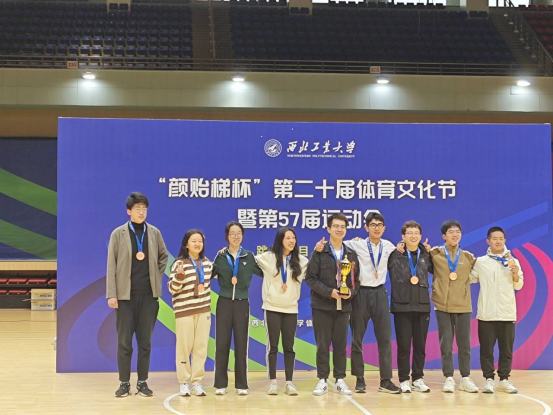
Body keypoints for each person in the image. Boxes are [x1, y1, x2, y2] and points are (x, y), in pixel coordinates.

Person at [315, 212, 400, 394]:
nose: (376, 228)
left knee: (385, 338)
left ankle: (386, 380)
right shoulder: (355, 245)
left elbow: (404, 248)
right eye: (373, 225)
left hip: (380, 293)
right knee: (357, 339)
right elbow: (335, 244)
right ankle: (359, 378)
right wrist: (319, 246)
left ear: (384, 228)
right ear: (366, 228)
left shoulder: (389, 246)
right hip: (360, 294)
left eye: (380, 225)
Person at [106, 192, 168, 398]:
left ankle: (142, 382)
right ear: (129, 211)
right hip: (125, 298)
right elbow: (111, 265)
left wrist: (155, 276)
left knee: (145, 342)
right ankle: (124, 383)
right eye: (137, 208)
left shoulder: (154, 233)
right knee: (124, 342)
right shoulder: (118, 234)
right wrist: (112, 294)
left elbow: (163, 256)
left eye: (144, 208)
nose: (141, 212)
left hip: (149, 297)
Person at [307, 213, 360, 396]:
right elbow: (310, 278)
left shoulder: (351, 254)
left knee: (340, 345)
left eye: (343, 227)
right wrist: (329, 292)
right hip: (322, 305)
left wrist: (350, 293)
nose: (339, 229)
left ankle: (340, 379)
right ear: (328, 229)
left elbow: (356, 282)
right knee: (322, 345)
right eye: (336, 226)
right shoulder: (319, 251)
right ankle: (322, 379)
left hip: (343, 307)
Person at [470, 227, 524, 394]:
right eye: (494, 238)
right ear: (488, 241)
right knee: (486, 350)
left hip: (507, 313)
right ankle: (488, 379)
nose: (498, 241)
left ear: (505, 240)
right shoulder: (481, 262)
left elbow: (519, 285)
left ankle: (504, 380)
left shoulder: (513, 262)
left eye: (501, 238)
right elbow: (471, 278)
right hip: (486, 314)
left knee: (506, 350)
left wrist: (515, 274)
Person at [256, 227, 309, 396]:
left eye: (293, 238)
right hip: (271, 307)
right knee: (272, 347)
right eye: (288, 238)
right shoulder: (268, 257)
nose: (292, 241)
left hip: (291, 309)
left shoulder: (301, 261)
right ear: (280, 240)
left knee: (289, 347)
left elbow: (315, 271)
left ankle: (289, 383)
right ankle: (272, 382)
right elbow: (247, 260)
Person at [212, 222, 263, 396]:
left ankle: (241, 384)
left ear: (243, 236)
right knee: (222, 344)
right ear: (227, 236)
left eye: (239, 233)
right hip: (224, 302)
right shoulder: (220, 256)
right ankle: (220, 384)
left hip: (242, 303)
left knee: (241, 344)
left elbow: (265, 271)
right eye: (232, 233)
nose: (236, 236)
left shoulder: (249, 256)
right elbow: (208, 273)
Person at [430, 220, 478, 393]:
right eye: (451, 232)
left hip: (463, 306)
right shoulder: (434, 254)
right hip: (442, 306)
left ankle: (465, 378)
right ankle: (448, 378)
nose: (455, 234)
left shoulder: (468, 257)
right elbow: (414, 251)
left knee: (464, 344)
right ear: (444, 236)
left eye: (457, 231)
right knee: (446, 344)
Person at [388, 221, 432, 393]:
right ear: (403, 236)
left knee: (420, 346)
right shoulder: (394, 254)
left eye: (416, 233)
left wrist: (428, 250)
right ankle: (404, 379)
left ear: (420, 236)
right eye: (410, 233)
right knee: (404, 346)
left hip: (422, 305)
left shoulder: (426, 254)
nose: (413, 236)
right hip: (402, 306)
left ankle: (418, 378)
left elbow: (437, 270)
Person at [168, 229, 213, 397]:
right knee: (184, 348)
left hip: (203, 311)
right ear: (186, 244)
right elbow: (172, 288)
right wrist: (179, 277)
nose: (197, 244)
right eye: (193, 241)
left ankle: (197, 382)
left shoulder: (207, 263)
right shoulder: (179, 263)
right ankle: (184, 382)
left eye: (200, 241)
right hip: (184, 312)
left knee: (201, 348)